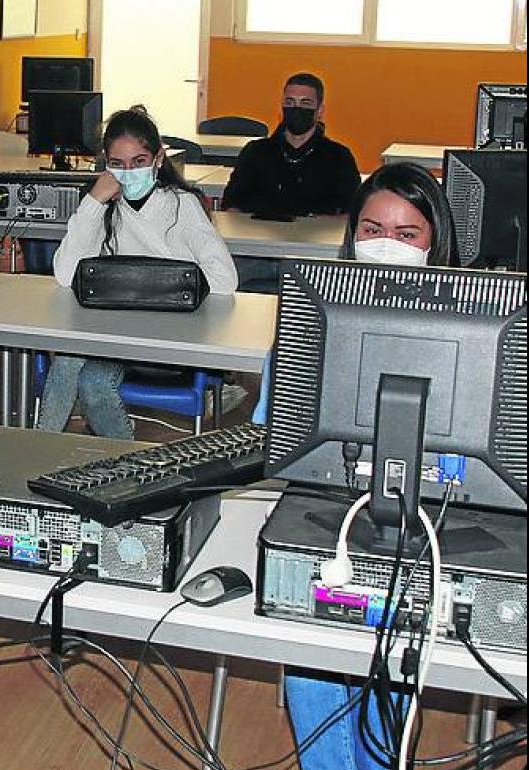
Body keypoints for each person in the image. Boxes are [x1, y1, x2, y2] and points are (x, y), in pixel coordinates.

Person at [254, 163, 458, 770]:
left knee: (389, 663)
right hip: (325, 516)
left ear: (435, 244)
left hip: (431, 531)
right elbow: (276, 431)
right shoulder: (311, 321)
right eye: (372, 228)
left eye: (406, 234)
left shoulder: (472, 330)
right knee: (316, 653)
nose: (385, 245)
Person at [36, 106, 239, 439]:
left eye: (138, 162)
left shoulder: (181, 206)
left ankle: (123, 466)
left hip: (168, 335)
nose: (128, 173)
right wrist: (94, 202)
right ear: (105, 164)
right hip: (115, 332)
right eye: (117, 165)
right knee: (71, 359)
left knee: (93, 381)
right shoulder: (104, 208)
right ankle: (40, 447)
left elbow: (225, 280)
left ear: (158, 159)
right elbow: (65, 274)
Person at [223, 73, 361, 218]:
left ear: (320, 110)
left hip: (316, 238)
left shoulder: (339, 157)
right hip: (258, 236)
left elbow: (353, 213)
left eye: (305, 103)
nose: (296, 109)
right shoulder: (255, 152)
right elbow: (231, 204)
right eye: (290, 102)